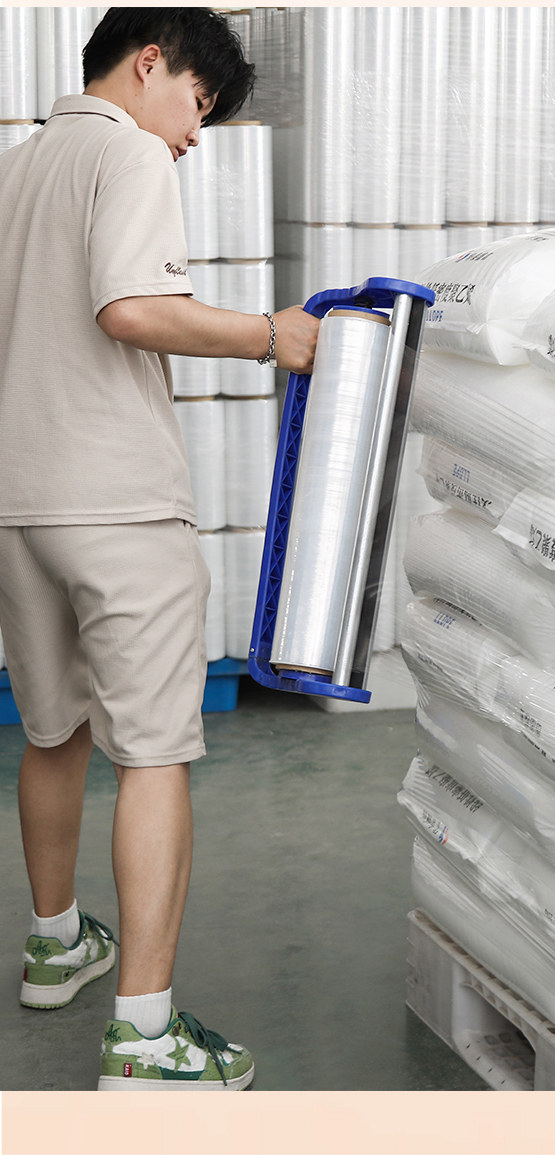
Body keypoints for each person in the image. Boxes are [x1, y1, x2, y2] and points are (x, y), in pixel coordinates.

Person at [0, 8, 319, 1091]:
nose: (192, 136)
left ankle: (56, 945)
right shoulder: (128, 152)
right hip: (116, 501)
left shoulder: (17, 167)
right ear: (150, 65)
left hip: (18, 499)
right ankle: (143, 1038)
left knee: (52, 731)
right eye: (198, 104)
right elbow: (133, 309)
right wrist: (271, 335)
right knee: (152, 754)